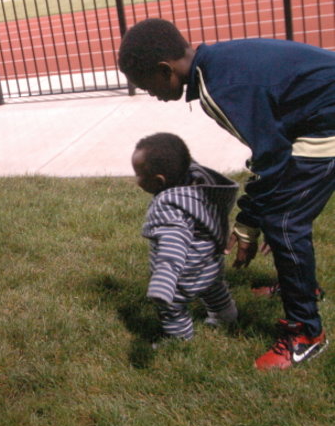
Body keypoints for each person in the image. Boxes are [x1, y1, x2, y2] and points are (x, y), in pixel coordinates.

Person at [118, 18, 333, 369]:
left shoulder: (217, 88)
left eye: (147, 85)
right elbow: (272, 148)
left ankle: (307, 334)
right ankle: (301, 287)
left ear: (165, 69)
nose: (151, 94)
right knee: (279, 211)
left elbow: (271, 158)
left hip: (326, 122)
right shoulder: (215, 65)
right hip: (313, 117)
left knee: (284, 223)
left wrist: (248, 222)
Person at [132, 133, 239, 342]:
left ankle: (179, 339)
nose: (135, 180)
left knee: (173, 305)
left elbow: (173, 244)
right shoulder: (201, 186)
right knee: (215, 290)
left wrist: (163, 282)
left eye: (138, 175)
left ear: (159, 181)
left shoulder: (169, 207)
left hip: (183, 273)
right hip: (210, 263)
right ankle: (226, 317)